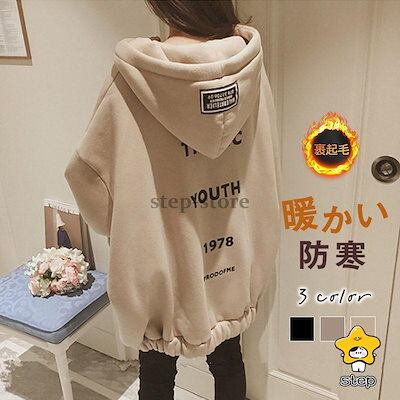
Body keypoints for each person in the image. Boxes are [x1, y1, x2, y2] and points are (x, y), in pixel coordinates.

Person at [64, 1, 281, 399]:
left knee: (157, 371)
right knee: (229, 359)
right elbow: (264, 165)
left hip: (161, 265)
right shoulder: (248, 68)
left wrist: (123, 225)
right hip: (233, 259)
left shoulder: (136, 77)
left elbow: (88, 176)